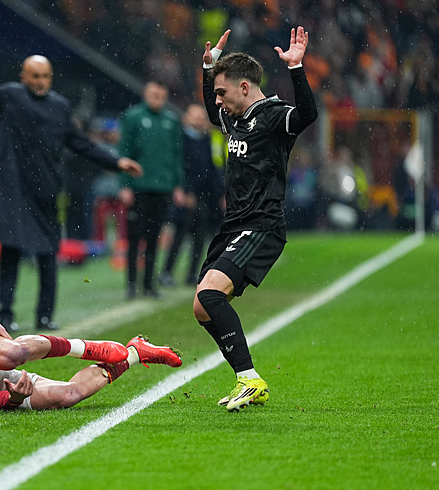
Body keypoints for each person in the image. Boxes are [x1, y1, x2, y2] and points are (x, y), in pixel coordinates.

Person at [0, 31, 142, 332]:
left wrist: (115, 162)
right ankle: (6, 316)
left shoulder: (60, 106)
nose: (40, 81)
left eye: (45, 76)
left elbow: (80, 143)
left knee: (48, 254)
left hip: (46, 188)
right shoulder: (10, 96)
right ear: (24, 77)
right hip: (13, 188)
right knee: (10, 253)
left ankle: (45, 316)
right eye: (35, 76)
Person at [194, 27, 318, 411]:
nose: (217, 101)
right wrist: (209, 69)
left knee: (211, 294)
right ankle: (246, 379)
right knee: (202, 306)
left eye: (222, 93)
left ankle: (250, 379)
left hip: (262, 224)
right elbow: (212, 108)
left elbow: (307, 115)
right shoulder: (234, 117)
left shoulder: (272, 116)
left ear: (244, 87)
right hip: (234, 224)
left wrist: (296, 68)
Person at [0, 292, 182, 411]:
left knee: (13, 354)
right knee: (68, 396)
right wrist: (14, 397)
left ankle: (82, 347)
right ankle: (135, 353)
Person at [118, 81, 185, 299]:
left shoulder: (171, 120)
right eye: (154, 95)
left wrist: (178, 185)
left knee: (155, 237)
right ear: (146, 95)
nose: (158, 99)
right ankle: (131, 283)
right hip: (139, 187)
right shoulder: (133, 117)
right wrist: (125, 185)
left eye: (161, 96)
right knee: (134, 236)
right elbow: (124, 151)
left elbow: (177, 155)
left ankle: (148, 284)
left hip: (163, 187)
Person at [159, 103, 224, 287]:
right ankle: (166, 272)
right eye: (195, 116)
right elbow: (177, 166)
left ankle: (193, 273)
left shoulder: (209, 140)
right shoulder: (180, 139)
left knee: (200, 236)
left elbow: (214, 168)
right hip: (187, 195)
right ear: (186, 118)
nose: (199, 119)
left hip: (205, 196)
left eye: (201, 116)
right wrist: (184, 189)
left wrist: (220, 193)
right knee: (180, 234)